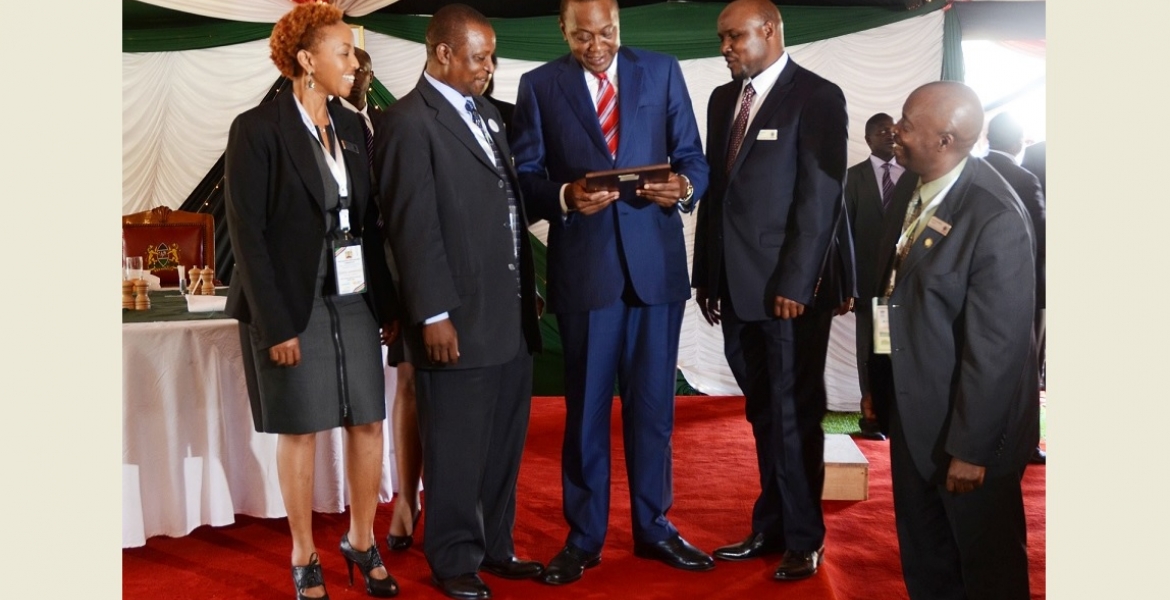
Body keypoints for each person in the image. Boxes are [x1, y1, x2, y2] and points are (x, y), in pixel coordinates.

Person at [510, 0, 712, 584]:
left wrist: (684, 188)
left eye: (606, 33)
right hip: (587, 274)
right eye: (581, 36)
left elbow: (694, 159)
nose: (595, 45)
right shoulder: (539, 85)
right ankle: (584, 537)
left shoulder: (663, 70)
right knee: (587, 414)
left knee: (653, 411)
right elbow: (526, 177)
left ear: (619, 27)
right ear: (563, 31)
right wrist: (567, 197)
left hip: (656, 273)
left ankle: (654, 528)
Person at [223, 3, 400, 599]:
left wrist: (389, 302)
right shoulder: (257, 129)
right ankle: (303, 555)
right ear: (307, 59)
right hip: (290, 307)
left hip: (354, 302)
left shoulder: (353, 126)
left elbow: (370, 224)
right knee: (300, 431)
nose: (354, 63)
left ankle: (360, 539)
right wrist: (276, 327)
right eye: (344, 52)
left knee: (368, 423)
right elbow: (246, 234)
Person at [372, 5, 544, 599]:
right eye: (479, 57)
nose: (490, 69)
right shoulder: (405, 122)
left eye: (491, 57)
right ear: (442, 53)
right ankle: (452, 560)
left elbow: (506, 211)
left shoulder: (490, 118)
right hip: (455, 321)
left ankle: (496, 546)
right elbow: (411, 227)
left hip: (510, 316)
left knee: (501, 444)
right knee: (457, 449)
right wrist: (432, 314)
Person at [691, 0, 848, 582]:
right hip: (733, 289)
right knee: (762, 412)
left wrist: (797, 283)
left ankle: (805, 538)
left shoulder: (818, 95)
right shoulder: (721, 99)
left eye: (735, 37)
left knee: (793, 413)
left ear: (771, 30)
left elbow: (822, 197)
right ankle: (772, 525)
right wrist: (707, 274)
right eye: (722, 38)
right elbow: (718, 196)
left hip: (789, 293)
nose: (725, 47)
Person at [867, 81, 1039, 599]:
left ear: (945, 141)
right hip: (913, 416)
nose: (894, 131)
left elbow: (998, 349)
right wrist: (877, 382)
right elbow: (889, 291)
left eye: (908, 125)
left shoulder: (994, 216)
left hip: (966, 438)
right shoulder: (912, 187)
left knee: (987, 570)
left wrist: (972, 449)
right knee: (927, 561)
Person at [336, 46, 425, 551]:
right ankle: (405, 501)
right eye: (351, 67)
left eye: (365, 69)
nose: (358, 77)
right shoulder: (327, 126)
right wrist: (383, 297)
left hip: (423, 264)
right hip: (377, 271)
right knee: (408, 382)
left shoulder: (390, 123)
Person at [844, 113, 917, 442]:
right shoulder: (852, 178)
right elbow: (842, 235)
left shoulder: (916, 177)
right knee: (873, 347)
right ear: (868, 138)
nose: (889, 135)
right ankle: (873, 415)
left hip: (910, 283)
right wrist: (849, 284)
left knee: (906, 346)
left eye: (893, 130)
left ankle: (906, 414)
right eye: (881, 131)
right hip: (870, 285)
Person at [984, 111, 1047, 465]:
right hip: (1024, 291)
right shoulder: (1023, 178)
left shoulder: (968, 173)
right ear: (1017, 142)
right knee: (1027, 373)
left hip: (975, 292)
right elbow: (1041, 235)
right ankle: (1023, 445)